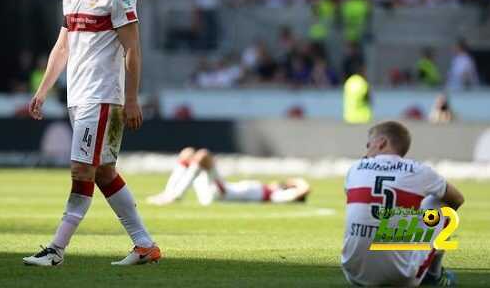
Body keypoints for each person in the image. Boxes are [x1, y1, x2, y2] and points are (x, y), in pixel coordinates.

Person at [23, 0, 160, 267]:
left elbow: (133, 50)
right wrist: (43, 90)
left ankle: (56, 249)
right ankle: (144, 245)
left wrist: (131, 99)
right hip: (78, 98)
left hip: (102, 98)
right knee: (104, 173)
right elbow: (63, 47)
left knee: (82, 169)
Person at [341, 121, 464, 286]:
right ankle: (434, 275)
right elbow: (457, 199)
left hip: (354, 274)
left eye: (369, 144)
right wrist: (421, 225)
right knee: (441, 205)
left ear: (382, 142)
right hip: (400, 276)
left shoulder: (355, 168)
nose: (367, 149)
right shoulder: (419, 171)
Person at [146, 147, 311, 206]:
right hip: (216, 191)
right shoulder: (267, 188)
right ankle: (168, 193)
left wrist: (294, 182)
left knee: (203, 155)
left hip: (220, 194)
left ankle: (176, 196)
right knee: (188, 153)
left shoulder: (276, 195)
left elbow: (304, 190)